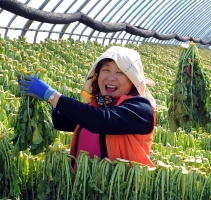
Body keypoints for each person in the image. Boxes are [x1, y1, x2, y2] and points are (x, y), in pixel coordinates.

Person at [18, 46, 156, 169]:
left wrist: (51, 95)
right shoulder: (97, 106)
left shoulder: (141, 108)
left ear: (132, 79)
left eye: (120, 72)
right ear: (97, 75)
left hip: (121, 190)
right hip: (82, 188)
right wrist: (35, 102)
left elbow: (101, 121)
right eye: (106, 70)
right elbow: (60, 120)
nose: (111, 77)